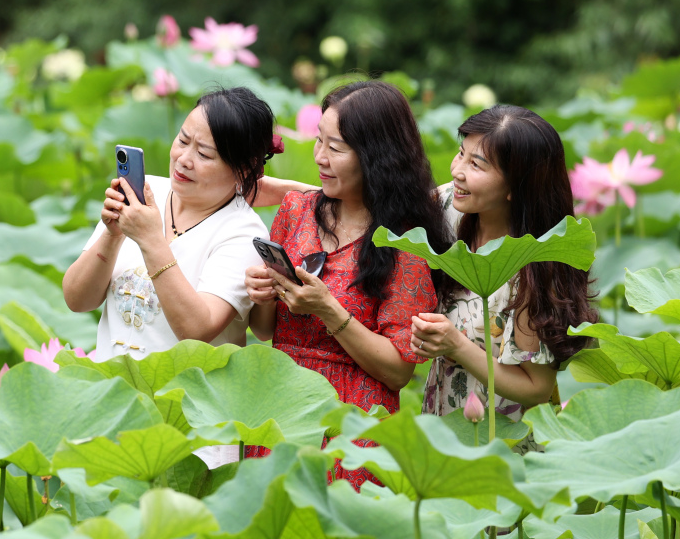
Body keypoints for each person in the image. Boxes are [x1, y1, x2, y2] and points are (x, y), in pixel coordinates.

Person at [244, 80, 449, 489]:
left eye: (335, 148)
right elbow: (265, 330)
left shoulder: (403, 241)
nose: (320, 157)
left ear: (376, 157)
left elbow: (397, 372)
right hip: (279, 409)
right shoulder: (296, 210)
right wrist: (263, 294)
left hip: (355, 427)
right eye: (319, 141)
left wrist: (327, 309)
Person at [413, 105, 598, 448]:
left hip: (507, 442)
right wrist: (290, 191)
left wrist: (456, 345)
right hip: (445, 427)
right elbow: (378, 210)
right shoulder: (450, 207)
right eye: (460, 154)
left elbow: (537, 388)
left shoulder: (537, 264)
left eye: (476, 165)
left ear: (516, 186)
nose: (458, 171)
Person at [63, 86, 281, 365]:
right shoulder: (144, 191)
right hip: (112, 398)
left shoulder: (243, 233)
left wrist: (150, 239)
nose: (183, 159)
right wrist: (113, 233)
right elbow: (77, 300)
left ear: (245, 169)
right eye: (182, 140)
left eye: (204, 154)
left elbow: (197, 331)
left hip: (185, 404)